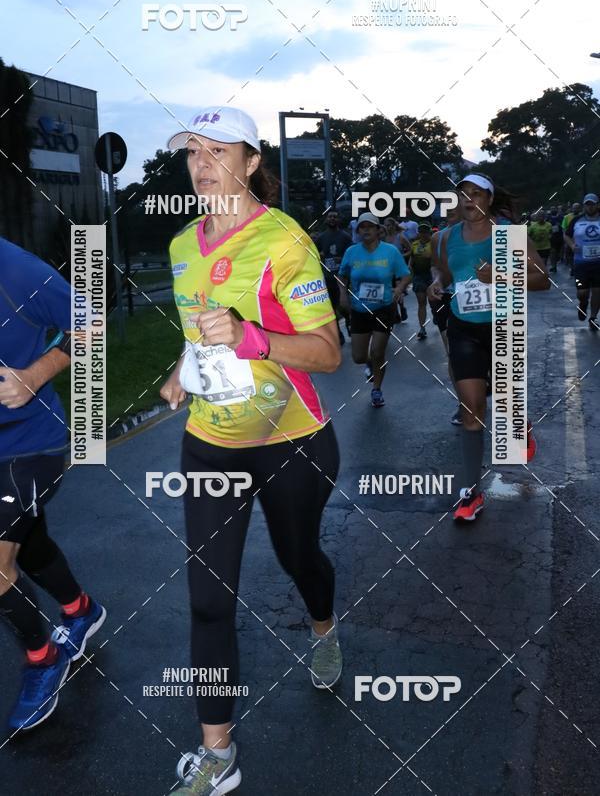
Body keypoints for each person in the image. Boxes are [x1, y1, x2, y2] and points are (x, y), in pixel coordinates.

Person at [160, 106, 342, 795]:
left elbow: (327, 352)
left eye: (218, 151)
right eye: (192, 152)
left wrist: (250, 337)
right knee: (209, 600)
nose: (202, 164)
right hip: (210, 445)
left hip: (291, 440)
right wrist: (182, 369)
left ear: (252, 161)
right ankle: (218, 753)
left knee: (301, 559)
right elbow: (198, 334)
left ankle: (322, 626)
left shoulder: (284, 240)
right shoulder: (182, 245)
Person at [0, 239, 105, 732]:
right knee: (27, 540)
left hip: (29, 445)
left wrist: (34, 375)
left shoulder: (16, 270)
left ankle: (44, 660)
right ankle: (80, 611)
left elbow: (92, 323)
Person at [428, 173, 550, 522]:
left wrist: (501, 276)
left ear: (489, 199)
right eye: (463, 194)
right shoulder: (444, 237)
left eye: (477, 193)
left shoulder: (509, 235)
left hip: (503, 328)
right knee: (472, 408)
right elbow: (444, 272)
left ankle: (520, 422)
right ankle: (472, 494)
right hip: (463, 328)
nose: (469, 199)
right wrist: (436, 284)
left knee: (504, 400)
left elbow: (542, 279)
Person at [338, 212, 411, 407]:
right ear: (358, 231)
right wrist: (343, 294)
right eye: (362, 227)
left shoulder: (390, 251)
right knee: (359, 357)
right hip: (359, 309)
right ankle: (369, 363)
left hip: (383, 308)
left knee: (378, 352)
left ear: (378, 230)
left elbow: (405, 275)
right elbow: (342, 275)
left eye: (370, 226)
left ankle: (376, 389)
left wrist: (399, 289)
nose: (366, 230)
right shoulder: (352, 252)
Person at [430, 205, 462, 423]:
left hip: (477, 300)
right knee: (453, 353)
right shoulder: (438, 237)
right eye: (447, 207)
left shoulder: (483, 233)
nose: (450, 210)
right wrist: (436, 281)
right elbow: (436, 266)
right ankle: (463, 404)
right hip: (447, 298)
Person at [564, 193, 600, 330]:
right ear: (584, 206)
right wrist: (572, 245)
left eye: (593, 204)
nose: (590, 207)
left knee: (597, 291)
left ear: (597, 205)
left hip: (598, 263)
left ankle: (593, 318)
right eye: (587, 204)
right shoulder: (576, 220)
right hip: (581, 263)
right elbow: (566, 235)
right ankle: (583, 304)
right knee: (582, 292)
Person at [316, 210, 352, 343]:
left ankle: (349, 321)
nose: (332, 219)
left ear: (338, 220)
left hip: (343, 277)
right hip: (328, 277)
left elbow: (352, 254)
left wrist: (342, 259)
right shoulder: (321, 237)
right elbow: (314, 253)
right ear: (326, 219)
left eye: (335, 217)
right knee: (331, 308)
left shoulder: (345, 237)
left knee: (344, 306)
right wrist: (320, 257)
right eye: (330, 217)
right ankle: (338, 334)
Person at [409, 222, 435, 340]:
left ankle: (436, 315)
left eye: (425, 232)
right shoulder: (414, 244)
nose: (423, 234)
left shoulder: (434, 243)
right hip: (418, 276)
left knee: (433, 302)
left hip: (432, 276)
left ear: (429, 233)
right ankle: (422, 328)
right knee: (421, 302)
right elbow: (412, 257)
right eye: (421, 232)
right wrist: (410, 266)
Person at [383, 217, 411, 320]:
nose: (387, 227)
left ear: (394, 226)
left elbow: (410, 250)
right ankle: (396, 314)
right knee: (390, 291)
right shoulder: (384, 238)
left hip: (398, 268)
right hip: (387, 268)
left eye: (389, 225)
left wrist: (401, 256)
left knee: (398, 290)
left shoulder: (400, 237)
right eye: (385, 225)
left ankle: (402, 307)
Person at [562, 202, 581, 274]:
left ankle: (577, 267)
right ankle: (572, 267)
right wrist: (565, 240)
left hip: (580, 239)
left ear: (580, 209)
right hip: (570, 239)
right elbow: (564, 229)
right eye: (574, 208)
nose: (576, 209)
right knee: (570, 254)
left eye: (577, 208)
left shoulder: (583, 216)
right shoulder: (566, 217)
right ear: (572, 208)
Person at [549, 207, 564, 272]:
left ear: (556, 210)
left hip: (560, 237)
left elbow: (564, 226)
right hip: (552, 238)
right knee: (553, 253)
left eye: (554, 208)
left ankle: (560, 259)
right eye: (552, 209)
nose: (553, 210)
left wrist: (560, 225)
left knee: (559, 253)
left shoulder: (561, 217)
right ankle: (554, 266)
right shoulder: (548, 218)